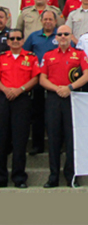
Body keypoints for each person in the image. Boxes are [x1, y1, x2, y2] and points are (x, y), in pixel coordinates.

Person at [40, 25, 88, 188]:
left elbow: (87, 75)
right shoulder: (48, 56)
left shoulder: (80, 54)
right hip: (54, 98)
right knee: (54, 139)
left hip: (73, 98)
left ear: (71, 36)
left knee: (72, 138)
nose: (63, 37)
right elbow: (42, 79)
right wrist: (58, 89)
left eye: (66, 34)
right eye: (60, 34)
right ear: (56, 37)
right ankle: (53, 176)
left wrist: (70, 88)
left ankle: (71, 176)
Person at [0, 29, 40, 188]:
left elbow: (36, 78)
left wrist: (20, 90)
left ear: (23, 41)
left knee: (20, 140)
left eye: (18, 38)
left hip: (22, 99)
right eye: (12, 38)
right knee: (1, 139)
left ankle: (19, 178)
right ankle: (1, 178)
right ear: (8, 41)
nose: (15, 41)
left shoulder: (31, 58)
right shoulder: (1, 57)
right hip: (3, 98)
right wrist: (5, 90)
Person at [23, 10, 60, 156]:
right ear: (41, 21)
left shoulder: (61, 35)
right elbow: (25, 55)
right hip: (38, 80)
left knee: (56, 115)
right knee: (37, 113)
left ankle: (58, 144)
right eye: (45, 19)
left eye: (51, 19)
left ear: (55, 22)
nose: (48, 22)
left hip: (56, 81)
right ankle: (37, 145)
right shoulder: (33, 37)